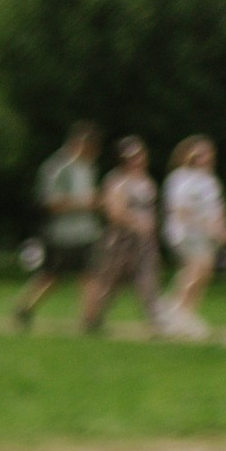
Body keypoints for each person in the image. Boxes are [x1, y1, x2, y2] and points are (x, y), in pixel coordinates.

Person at [11, 122, 101, 329]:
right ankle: (24, 307)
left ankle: (90, 318)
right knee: (51, 276)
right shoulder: (57, 168)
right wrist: (84, 202)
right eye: (90, 146)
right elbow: (49, 203)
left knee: (90, 275)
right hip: (61, 233)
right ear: (78, 143)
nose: (93, 151)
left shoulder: (88, 167)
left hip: (85, 231)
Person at [80, 135, 162, 334]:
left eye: (139, 155)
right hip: (120, 240)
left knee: (148, 279)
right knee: (110, 283)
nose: (136, 160)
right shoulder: (116, 180)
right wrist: (137, 222)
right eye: (130, 157)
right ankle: (92, 319)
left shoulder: (146, 181)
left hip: (143, 241)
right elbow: (114, 212)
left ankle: (156, 321)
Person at [156, 135, 226, 339]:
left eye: (207, 153)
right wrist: (207, 226)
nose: (204, 157)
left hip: (205, 234)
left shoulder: (210, 180)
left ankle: (175, 310)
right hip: (184, 232)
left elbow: (217, 209)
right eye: (199, 153)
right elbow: (180, 209)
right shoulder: (180, 177)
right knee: (195, 268)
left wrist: (223, 228)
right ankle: (179, 315)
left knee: (203, 272)